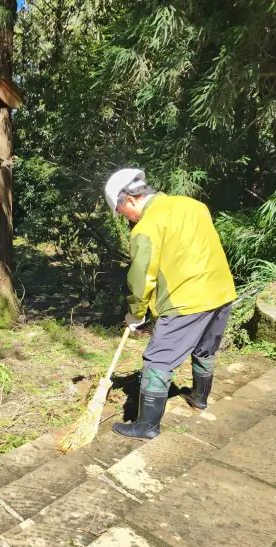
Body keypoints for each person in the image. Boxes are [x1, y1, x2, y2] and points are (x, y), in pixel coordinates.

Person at [104, 168, 237, 440]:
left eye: (121, 213)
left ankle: (147, 426)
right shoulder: (193, 205)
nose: (125, 219)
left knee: (158, 359)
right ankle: (199, 397)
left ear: (129, 200)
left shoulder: (147, 226)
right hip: (222, 291)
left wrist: (135, 313)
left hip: (186, 300)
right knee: (205, 348)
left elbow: (142, 275)